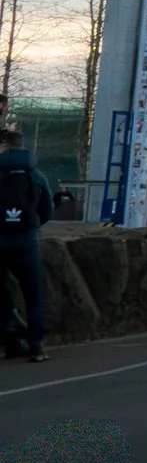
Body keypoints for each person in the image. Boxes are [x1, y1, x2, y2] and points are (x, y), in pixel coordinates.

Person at [0, 117, 54, 362]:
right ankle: (37, 347)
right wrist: (31, 227)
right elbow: (48, 210)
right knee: (33, 295)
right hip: (26, 242)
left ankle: (6, 343)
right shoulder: (36, 174)